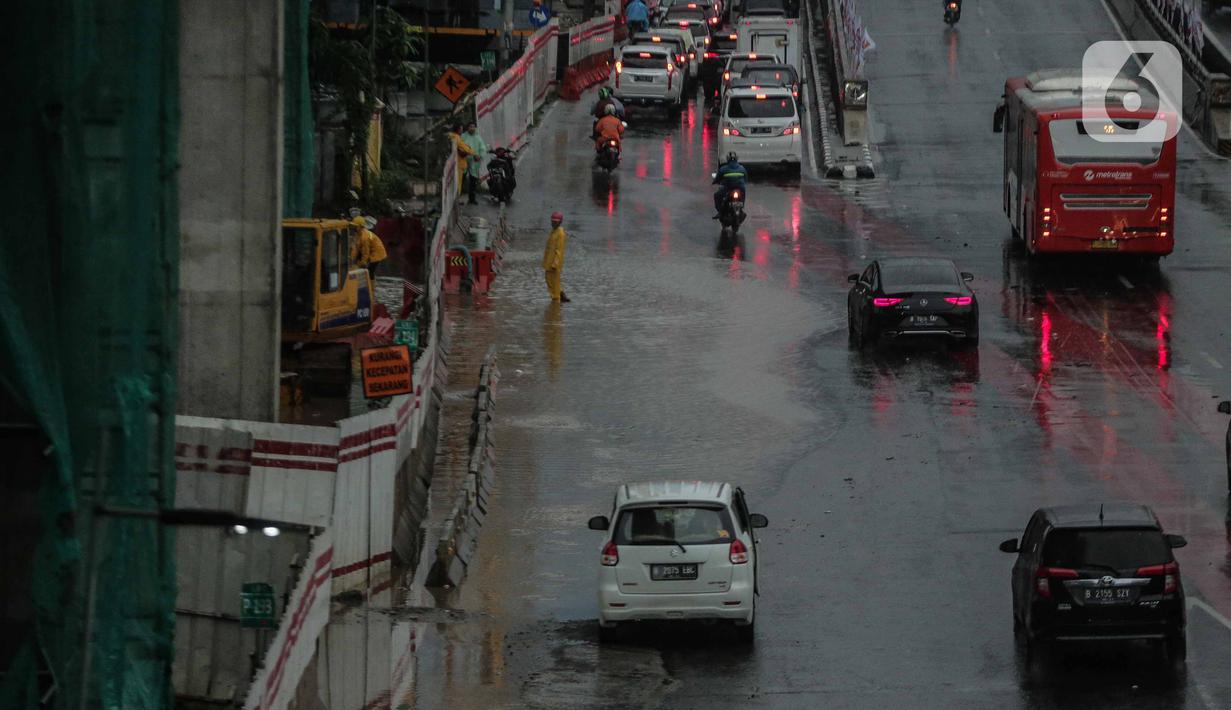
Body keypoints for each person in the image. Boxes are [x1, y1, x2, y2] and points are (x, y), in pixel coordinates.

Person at [543, 212, 570, 303]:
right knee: (549, 280)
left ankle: (556, 301)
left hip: (554, 264)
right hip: (548, 262)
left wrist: (555, 264)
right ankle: (560, 294)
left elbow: (559, 251)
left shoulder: (561, 234)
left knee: (554, 282)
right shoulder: (553, 231)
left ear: (560, 222)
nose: (553, 223)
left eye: (555, 222)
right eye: (552, 221)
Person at [712, 151, 748, 217]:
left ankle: (720, 212)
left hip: (728, 187)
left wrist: (714, 182)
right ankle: (742, 208)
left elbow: (717, 178)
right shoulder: (742, 168)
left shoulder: (723, 168)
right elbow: (746, 179)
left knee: (716, 196)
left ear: (727, 159)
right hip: (740, 187)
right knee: (743, 195)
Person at [460, 121, 487, 205]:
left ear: (475, 128)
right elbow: (460, 146)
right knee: (461, 179)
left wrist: (480, 156)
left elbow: (483, 148)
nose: (472, 128)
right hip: (464, 160)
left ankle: (472, 199)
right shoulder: (463, 136)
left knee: (473, 180)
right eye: (470, 126)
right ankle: (457, 198)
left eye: (473, 126)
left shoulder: (478, 137)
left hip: (474, 162)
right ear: (467, 128)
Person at [447, 122, 476, 198]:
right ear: (458, 129)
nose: (462, 130)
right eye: (461, 128)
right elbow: (466, 148)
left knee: (454, 184)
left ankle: (454, 201)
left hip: (455, 163)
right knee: (457, 185)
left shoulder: (452, 137)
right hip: (458, 164)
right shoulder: (456, 138)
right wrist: (471, 151)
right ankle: (455, 202)